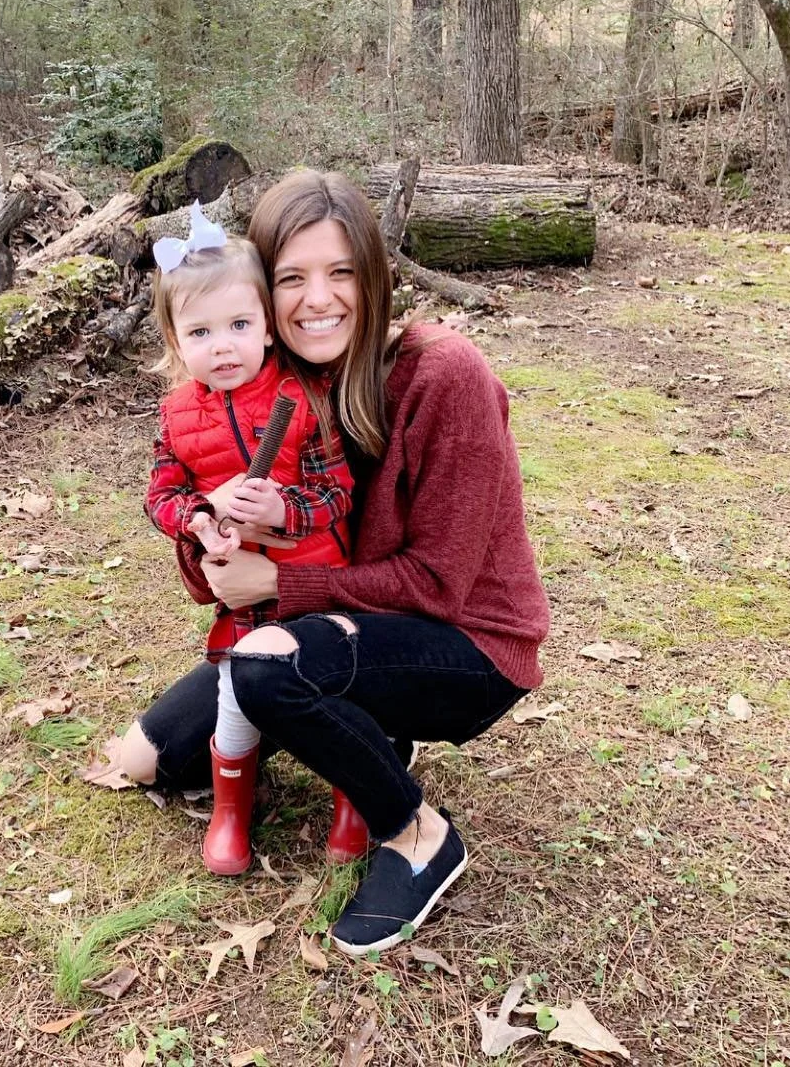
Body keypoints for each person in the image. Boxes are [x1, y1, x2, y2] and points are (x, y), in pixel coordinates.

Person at [120, 171, 549, 956]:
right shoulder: (282, 386)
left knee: (264, 669)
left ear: (377, 276)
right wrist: (208, 540)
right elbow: (209, 567)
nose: (319, 299)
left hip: (466, 644)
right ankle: (360, 714)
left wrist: (281, 582)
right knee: (149, 759)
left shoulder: (445, 375)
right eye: (293, 278)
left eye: (343, 272)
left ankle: (416, 834)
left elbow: (438, 584)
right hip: (329, 622)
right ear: (265, 294)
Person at [143, 201, 358, 876]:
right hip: (242, 600)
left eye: (239, 325)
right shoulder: (177, 416)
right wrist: (201, 514)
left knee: (337, 695)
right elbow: (160, 495)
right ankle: (233, 809)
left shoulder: (302, 400)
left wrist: (283, 508)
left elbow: (337, 493)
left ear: (268, 327)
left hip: (315, 586)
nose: (223, 345)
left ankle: (352, 797)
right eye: (201, 332)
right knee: (237, 696)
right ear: (177, 344)